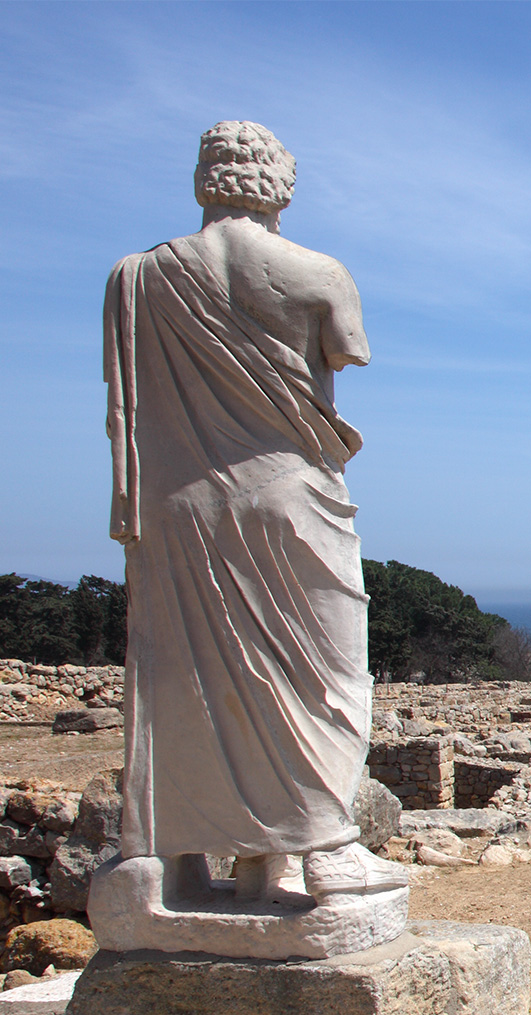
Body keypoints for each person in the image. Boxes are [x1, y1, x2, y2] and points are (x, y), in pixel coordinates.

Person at [103, 121, 405, 901]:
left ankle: (187, 858)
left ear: (205, 179)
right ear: (279, 184)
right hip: (284, 492)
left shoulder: (134, 278)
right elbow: (349, 350)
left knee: (186, 677)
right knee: (322, 676)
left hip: (177, 507)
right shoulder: (315, 272)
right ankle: (317, 850)